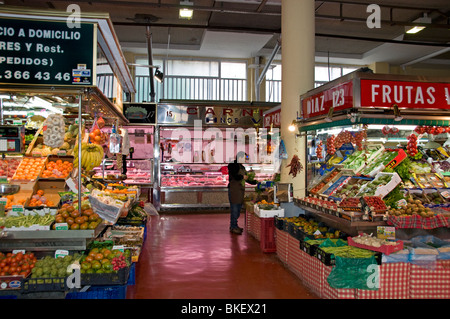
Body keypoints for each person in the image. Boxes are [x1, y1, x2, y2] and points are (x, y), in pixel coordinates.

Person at [227, 151, 257, 234]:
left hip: (240, 191)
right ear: (240, 157)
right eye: (245, 158)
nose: (246, 160)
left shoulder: (242, 167)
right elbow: (235, 176)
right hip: (234, 190)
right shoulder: (233, 165)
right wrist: (242, 176)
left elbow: (247, 179)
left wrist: (256, 182)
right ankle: (233, 226)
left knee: (238, 208)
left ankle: (235, 225)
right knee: (235, 209)